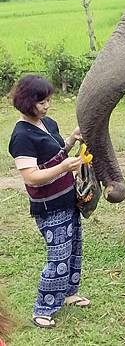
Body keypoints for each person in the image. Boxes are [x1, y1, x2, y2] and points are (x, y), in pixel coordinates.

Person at [8, 75, 90, 329]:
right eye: (41, 102)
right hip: (48, 206)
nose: (47, 106)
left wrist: (71, 140)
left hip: (68, 198)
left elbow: (56, 154)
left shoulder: (48, 123)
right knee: (58, 256)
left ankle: (67, 294)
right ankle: (42, 309)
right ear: (26, 103)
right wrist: (64, 167)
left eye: (48, 100)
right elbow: (31, 177)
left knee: (74, 249)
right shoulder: (21, 136)